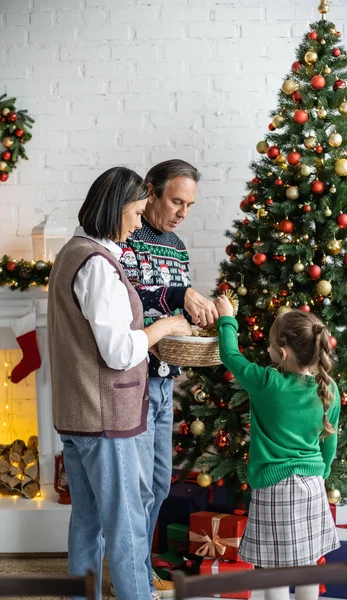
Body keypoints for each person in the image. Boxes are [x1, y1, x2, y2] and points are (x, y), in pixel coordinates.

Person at [47, 167, 191, 600]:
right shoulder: (98, 266)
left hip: (77, 415)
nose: (136, 220)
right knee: (127, 523)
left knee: (88, 521)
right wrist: (165, 326)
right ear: (115, 210)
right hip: (105, 416)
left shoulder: (73, 253)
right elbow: (120, 352)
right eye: (134, 211)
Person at [118, 159, 218, 598]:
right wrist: (178, 297)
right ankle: (134, 579)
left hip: (164, 382)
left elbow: (175, 312)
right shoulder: (127, 236)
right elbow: (129, 298)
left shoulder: (177, 246)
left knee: (159, 482)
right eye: (176, 200)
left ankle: (138, 568)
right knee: (137, 487)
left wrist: (195, 313)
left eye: (189, 204)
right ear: (152, 191)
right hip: (134, 380)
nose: (182, 211)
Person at [214, 299, 340, 600]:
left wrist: (227, 318)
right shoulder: (329, 388)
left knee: (274, 571)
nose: (268, 351)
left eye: (270, 346)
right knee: (308, 566)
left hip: (275, 490)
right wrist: (322, 474)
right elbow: (330, 444)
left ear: (281, 353)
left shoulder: (266, 382)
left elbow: (230, 355)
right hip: (312, 486)